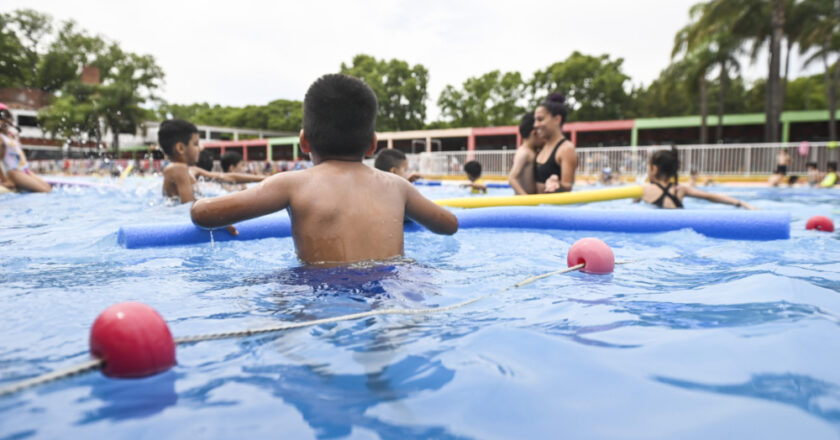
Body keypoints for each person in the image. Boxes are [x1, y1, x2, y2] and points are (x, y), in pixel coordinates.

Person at [191, 73, 458, 265]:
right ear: (372, 144)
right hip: (395, 284)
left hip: (319, 289)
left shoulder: (291, 184)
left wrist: (205, 209)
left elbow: (203, 214)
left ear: (304, 141)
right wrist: (404, 213)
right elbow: (449, 225)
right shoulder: (397, 186)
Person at [159, 119, 264, 203]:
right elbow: (189, 206)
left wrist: (263, 178)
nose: (200, 148)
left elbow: (227, 177)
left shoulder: (192, 170)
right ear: (180, 148)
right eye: (195, 144)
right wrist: (217, 217)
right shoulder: (177, 168)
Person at [637, 147, 755, 210]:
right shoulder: (681, 189)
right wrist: (741, 203)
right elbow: (710, 196)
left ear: (654, 168)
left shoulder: (643, 190)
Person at [0, 104, 51, 193]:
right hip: (14, 172)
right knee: (44, 191)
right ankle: (9, 179)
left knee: (48, 188)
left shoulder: (12, 135)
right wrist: (4, 180)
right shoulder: (1, 138)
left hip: (24, 170)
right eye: (3, 117)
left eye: (8, 116)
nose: (6, 120)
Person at [532, 94, 577, 193]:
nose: (535, 125)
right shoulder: (542, 146)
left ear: (557, 119)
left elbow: (568, 186)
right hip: (538, 206)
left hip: (552, 208)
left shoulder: (566, 149)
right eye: (535, 120)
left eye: (540, 119)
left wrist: (557, 184)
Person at [507, 112, 544, 195]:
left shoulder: (533, 151)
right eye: (541, 133)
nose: (543, 137)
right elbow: (512, 178)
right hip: (522, 203)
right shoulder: (524, 152)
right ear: (534, 133)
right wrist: (525, 197)